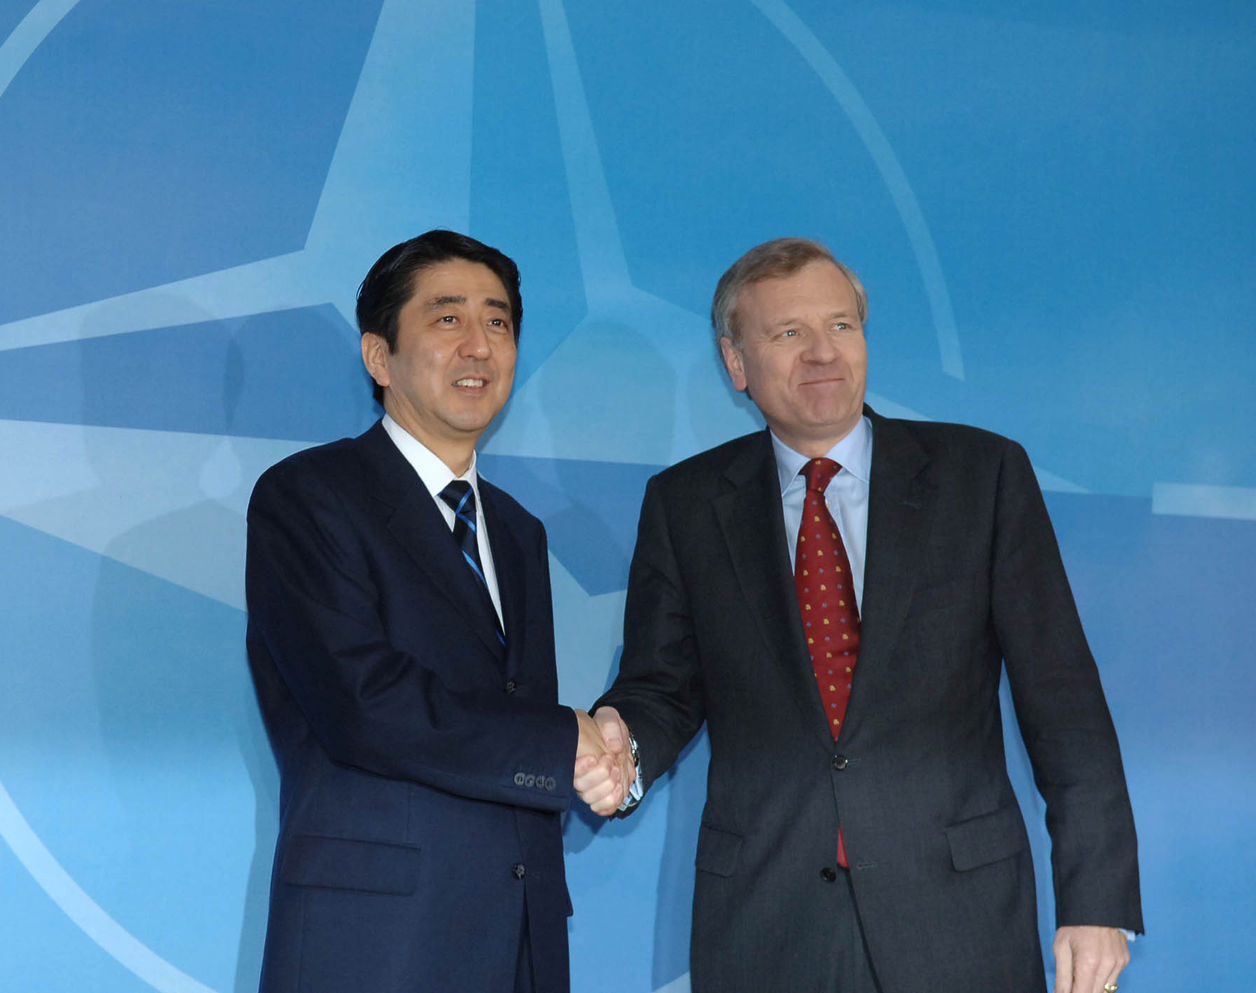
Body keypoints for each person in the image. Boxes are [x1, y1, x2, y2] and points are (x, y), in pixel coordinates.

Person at [589, 237, 1143, 993]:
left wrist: (1096, 900)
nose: (823, 352)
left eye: (841, 325)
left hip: (959, 913)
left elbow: (1065, 703)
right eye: (789, 333)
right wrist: (626, 742)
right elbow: (663, 686)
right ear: (736, 363)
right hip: (765, 918)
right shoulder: (686, 505)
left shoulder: (981, 477)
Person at [245, 230, 628, 993]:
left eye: (499, 322)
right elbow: (361, 704)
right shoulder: (309, 496)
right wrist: (564, 743)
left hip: (522, 937)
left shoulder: (518, 531)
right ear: (379, 357)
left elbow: (507, 710)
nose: (479, 346)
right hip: (374, 941)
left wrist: (592, 752)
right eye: (447, 319)